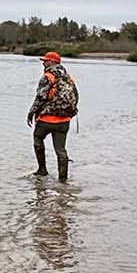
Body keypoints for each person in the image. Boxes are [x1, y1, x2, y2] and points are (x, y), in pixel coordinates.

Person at [25, 51, 79, 180]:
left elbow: (40, 97)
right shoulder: (69, 77)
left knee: (38, 139)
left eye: (45, 61)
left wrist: (31, 112)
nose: (43, 63)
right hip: (64, 121)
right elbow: (76, 97)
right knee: (60, 149)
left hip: (46, 120)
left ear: (52, 62)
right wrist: (70, 115)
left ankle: (42, 170)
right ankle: (63, 179)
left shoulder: (48, 77)